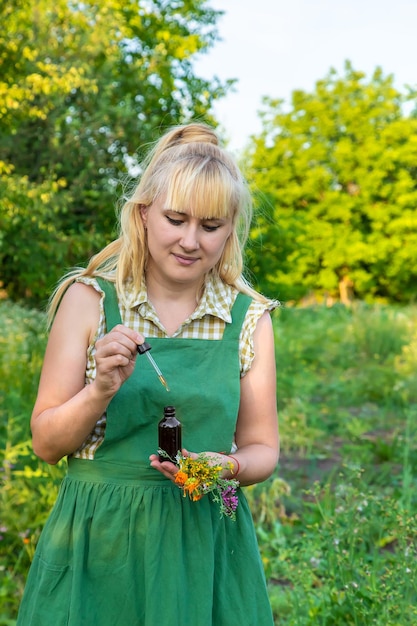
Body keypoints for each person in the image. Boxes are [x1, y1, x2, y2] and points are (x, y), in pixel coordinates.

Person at [17, 122, 279, 625]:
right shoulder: (90, 299)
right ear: (143, 213)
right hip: (100, 543)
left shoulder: (248, 318)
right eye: (175, 219)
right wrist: (100, 389)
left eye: (210, 225)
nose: (190, 240)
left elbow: (262, 449)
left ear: (231, 229)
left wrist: (224, 469)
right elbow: (47, 444)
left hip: (205, 542)